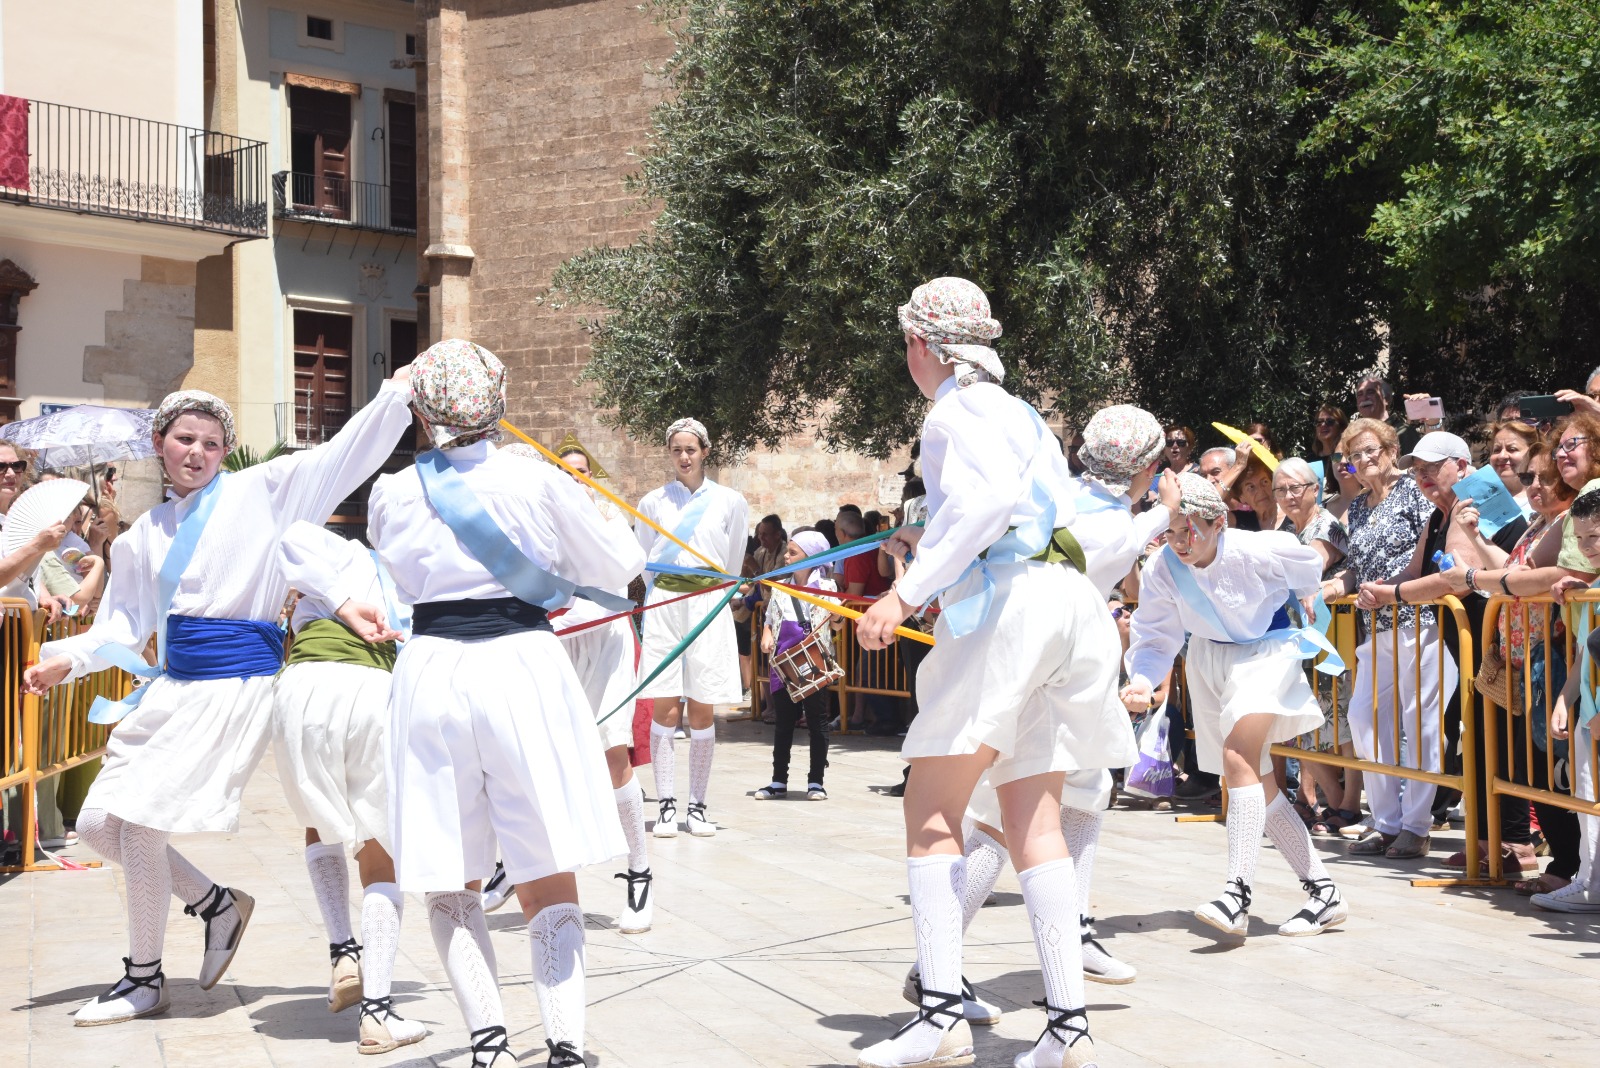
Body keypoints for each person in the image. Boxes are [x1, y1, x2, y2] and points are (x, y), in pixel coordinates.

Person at [21, 378, 415, 1027]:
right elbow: (123, 626)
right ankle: (216, 905)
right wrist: (68, 660)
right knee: (96, 826)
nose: (197, 452)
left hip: (236, 688)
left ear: (226, 450)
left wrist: (395, 397)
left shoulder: (264, 491)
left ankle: (143, 978)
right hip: (172, 689)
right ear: (160, 444)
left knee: (141, 823)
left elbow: (341, 455)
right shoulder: (142, 536)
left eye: (210, 443)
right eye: (184, 439)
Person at [853, 277, 1129, 1068]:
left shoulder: (952, 411)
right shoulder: (1022, 413)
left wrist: (904, 592)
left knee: (931, 807)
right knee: (1034, 820)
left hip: (1010, 610)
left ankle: (938, 1017)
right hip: (1064, 603)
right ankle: (1067, 1030)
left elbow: (983, 506)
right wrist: (933, 542)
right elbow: (1019, 512)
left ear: (921, 345)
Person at [367, 340, 645, 1068]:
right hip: (522, 665)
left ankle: (488, 1044)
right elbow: (620, 563)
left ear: (422, 410)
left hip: (431, 669)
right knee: (545, 860)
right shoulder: (536, 479)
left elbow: (396, 571)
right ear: (497, 402)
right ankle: (565, 1046)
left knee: (448, 869)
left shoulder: (393, 492)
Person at [934, 404, 1175, 1002]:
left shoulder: (1058, 495)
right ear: (1145, 467)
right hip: (1049, 673)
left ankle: (1074, 935)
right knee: (1006, 814)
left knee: (1085, 796)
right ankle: (934, 965)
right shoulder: (1108, 525)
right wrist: (1169, 506)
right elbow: (1129, 536)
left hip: (1052, 668)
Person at [1122, 473, 1347, 940]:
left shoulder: (1254, 549)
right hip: (1210, 657)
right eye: (1171, 532)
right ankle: (1324, 892)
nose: (1180, 542)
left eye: (1189, 530)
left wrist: (1310, 589)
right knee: (1255, 779)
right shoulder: (1163, 566)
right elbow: (1156, 632)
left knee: (1238, 758)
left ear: (1219, 522)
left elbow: (1311, 561)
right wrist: (1142, 680)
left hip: (1267, 651)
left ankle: (1236, 894)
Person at [273, 521, 428, 1055]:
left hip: (304, 688)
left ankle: (343, 950)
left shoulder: (341, 554)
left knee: (320, 820)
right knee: (379, 848)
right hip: (373, 690)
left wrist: (336, 602)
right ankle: (377, 1015)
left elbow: (292, 537)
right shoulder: (420, 578)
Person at [1350, 432, 1527, 859]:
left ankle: (1512, 843)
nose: (1423, 476)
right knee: (1477, 738)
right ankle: (1485, 844)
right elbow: (1414, 573)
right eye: (1418, 469)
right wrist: (1377, 589)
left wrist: (1391, 595)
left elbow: (1453, 581)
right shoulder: (1438, 515)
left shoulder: (1477, 498)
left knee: (1497, 740)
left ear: (1462, 466)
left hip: (1495, 641)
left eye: (1433, 466)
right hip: (1471, 644)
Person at [1439, 443, 1580, 885]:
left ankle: (1569, 866)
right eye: (1529, 477)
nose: (1535, 485)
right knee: (1533, 767)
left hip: (1552, 659)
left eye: (1545, 476)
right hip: (1522, 662)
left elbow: (1530, 579)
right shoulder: (1538, 522)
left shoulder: (1569, 520)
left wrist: (1470, 577)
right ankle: (1565, 865)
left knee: (1553, 767)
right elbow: (1513, 570)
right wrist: (1478, 540)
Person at [636, 418, 750, 839]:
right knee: (665, 705)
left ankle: (697, 806)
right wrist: (665, 595)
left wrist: (711, 592)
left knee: (702, 705)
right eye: (676, 450)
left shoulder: (730, 501)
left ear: (705, 451)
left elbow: (733, 559)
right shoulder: (653, 502)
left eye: (691, 449)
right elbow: (644, 560)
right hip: (666, 603)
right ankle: (666, 805)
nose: (684, 457)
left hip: (708, 603)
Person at [1272, 458, 1359, 834]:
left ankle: (1350, 803)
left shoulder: (1327, 525)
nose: (1288, 495)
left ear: (1315, 489)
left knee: (1341, 721)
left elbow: (1311, 568)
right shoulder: (1285, 530)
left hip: (1332, 635)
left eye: (1295, 487)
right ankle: (1335, 801)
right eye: (1281, 489)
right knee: (1305, 721)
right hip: (1298, 637)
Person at [1538, 488, 1600, 913]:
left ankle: (1591, 884)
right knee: (1586, 799)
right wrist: (1565, 699)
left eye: (1594, 537)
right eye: (1579, 538)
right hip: (1589, 715)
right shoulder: (1588, 590)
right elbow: (1583, 656)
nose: (1585, 547)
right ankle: (1589, 881)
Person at [755, 527, 842, 801]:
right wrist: (767, 634)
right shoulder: (781, 585)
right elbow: (770, 618)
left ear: (811, 556)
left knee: (817, 720)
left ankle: (816, 781)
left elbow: (837, 624)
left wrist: (838, 615)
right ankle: (778, 780)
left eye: (793, 552)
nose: (786, 556)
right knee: (784, 721)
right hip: (783, 661)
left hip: (813, 660)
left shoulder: (827, 587)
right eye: (788, 552)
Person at [1485, 419, 1539, 516]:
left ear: (1533, 453)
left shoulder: (1544, 500)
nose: (1502, 456)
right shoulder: (1480, 500)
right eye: (1497, 450)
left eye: (1512, 449)